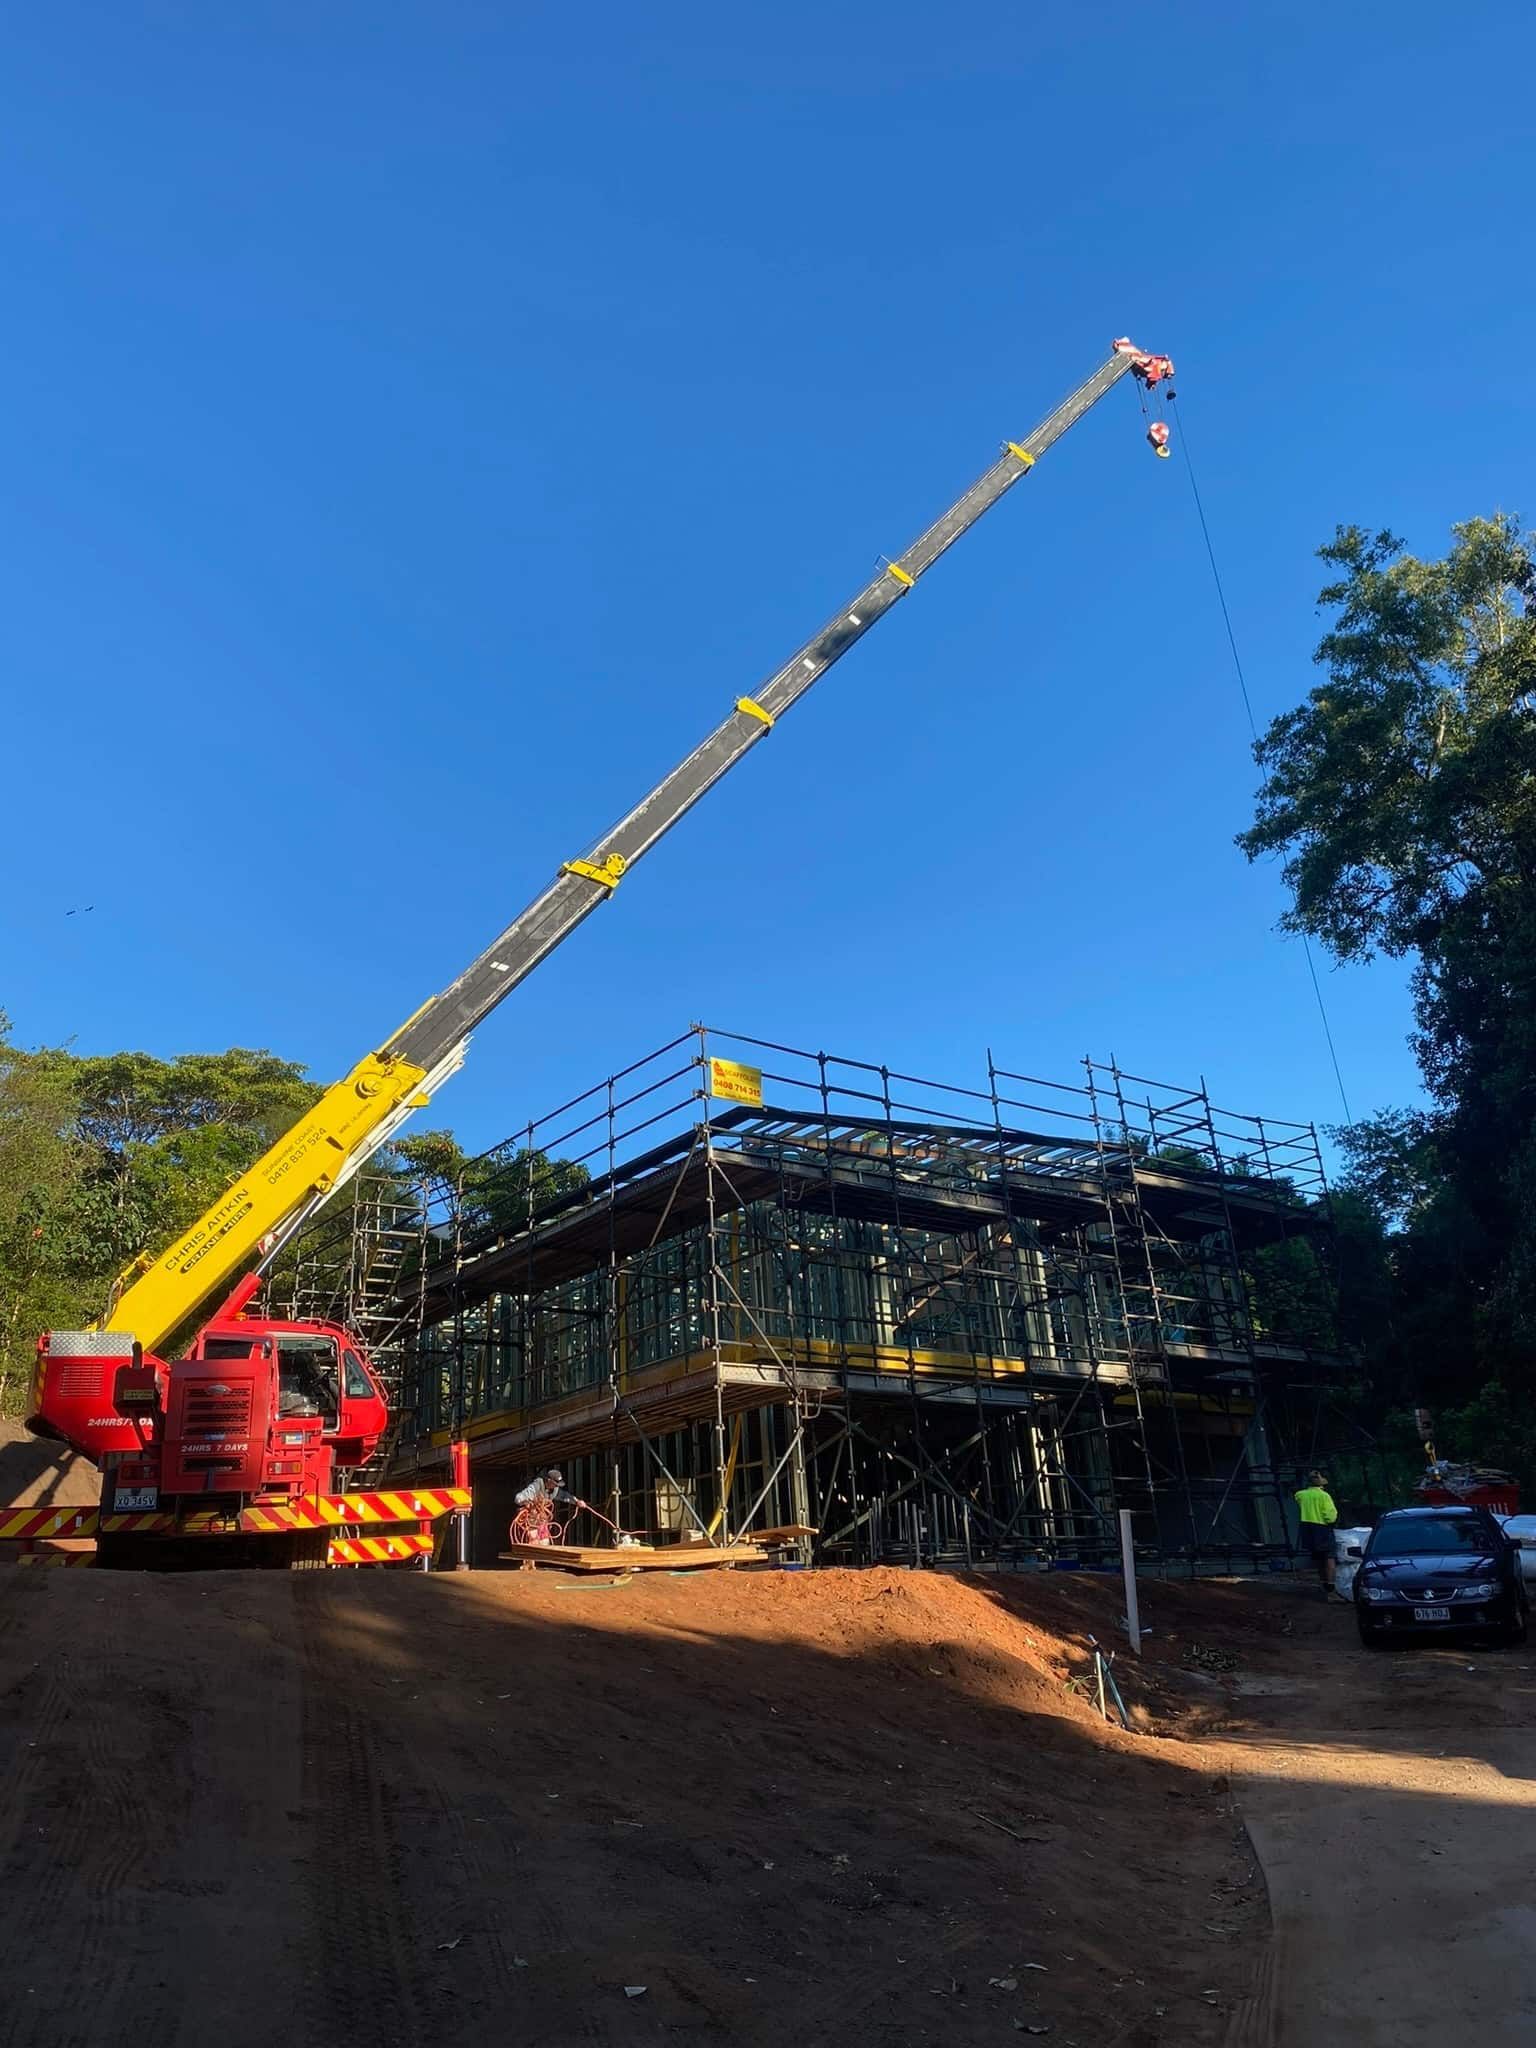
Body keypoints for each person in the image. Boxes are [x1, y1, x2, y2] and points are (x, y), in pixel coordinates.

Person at [1294, 1470, 1339, 1597]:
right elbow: (1330, 1516)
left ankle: (1323, 1586)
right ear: (1321, 1484)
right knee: (1329, 1558)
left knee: (1319, 1559)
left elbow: (1297, 1497)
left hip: (1308, 1529)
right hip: (1322, 1528)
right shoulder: (1324, 1496)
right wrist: (1332, 1521)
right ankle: (1331, 1590)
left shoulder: (1301, 1495)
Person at [513, 1468, 578, 1545]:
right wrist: (528, 1502)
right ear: (549, 1480)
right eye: (555, 1484)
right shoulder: (537, 1485)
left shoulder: (555, 1490)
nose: (556, 1486)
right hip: (532, 1518)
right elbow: (518, 1498)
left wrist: (577, 1501)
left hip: (542, 1518)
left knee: (545, 1541)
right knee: (534, 1541)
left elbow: (564, 1496)